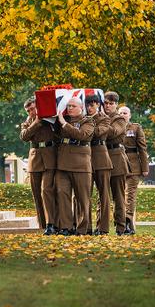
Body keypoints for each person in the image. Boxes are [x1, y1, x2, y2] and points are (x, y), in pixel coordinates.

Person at [54, 97, 94, 236]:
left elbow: (82, 135)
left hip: (80, 164)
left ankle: (83, 228)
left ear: (81, 108)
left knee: (82, 198)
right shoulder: (62, 120)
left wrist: (64, 124)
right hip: (63, 163)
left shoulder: (87, 121)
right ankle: (66, 227)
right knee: (62, 195)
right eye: (68, 106)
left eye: (73, 106)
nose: (69, 108)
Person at [20, 97, 58, 235]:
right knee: (36, 193)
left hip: (49, 157)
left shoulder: (49, 119)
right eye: (28, 110)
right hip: (35, 159)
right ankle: (43, 225)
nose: (31, 112)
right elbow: (24, 136)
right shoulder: (27, 122)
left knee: (46, 190)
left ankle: (51, 223)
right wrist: (35, 122)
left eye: (33, 108)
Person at [119, 106, 149, 235]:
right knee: (119, 196)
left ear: (130, 115)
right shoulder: (113, 127)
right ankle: (122, 224)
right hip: (117, 164)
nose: (122, 115)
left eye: (125, 113)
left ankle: (127, 221)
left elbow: (142, 148)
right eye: (120, 113)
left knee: (130, 195)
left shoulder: (136, 128)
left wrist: (145, 168)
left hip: (133, 166)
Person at [85, 95, 113, 235]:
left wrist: (85, 127)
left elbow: (97, 132)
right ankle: (86, 227)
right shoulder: (83, 118)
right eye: (87, 105)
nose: (89, 108)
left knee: (104, 195)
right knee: (84, 195)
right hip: (85, 158)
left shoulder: (104, 118)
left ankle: (103, 228)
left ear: (98, 105)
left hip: (101, 158)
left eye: (92, 105)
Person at [103, 91, 130, 235]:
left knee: (118, 196)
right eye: (106, 103)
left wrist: (102, 122)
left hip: (116, 158)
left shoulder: (119, 119)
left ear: (116, 105)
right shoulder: (100, 117)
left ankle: (121, 227)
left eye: (111, 103)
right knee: (102, 196)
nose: (108, 106)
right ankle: (101, 227)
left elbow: (112, 132)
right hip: (102, 156)